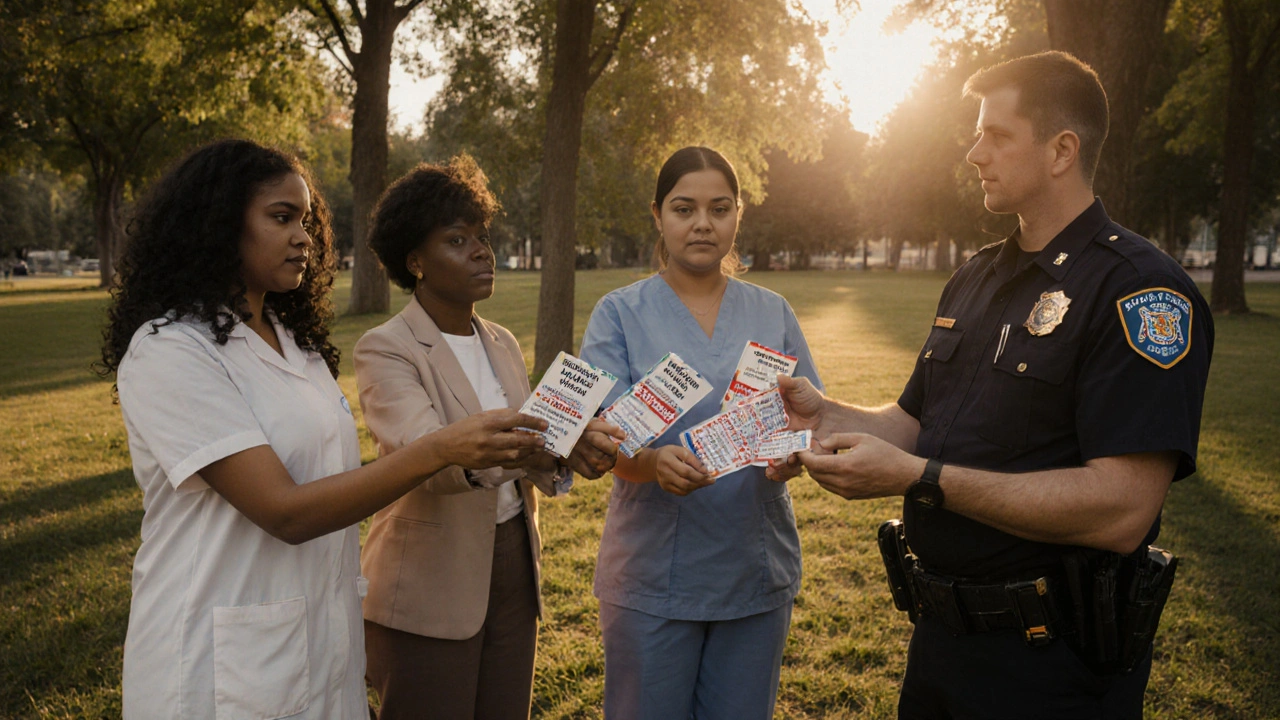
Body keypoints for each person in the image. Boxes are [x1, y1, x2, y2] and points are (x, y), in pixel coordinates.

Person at [770, 52, 1214, 719]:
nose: (974, 153)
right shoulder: (975, 277)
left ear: (1062, 150)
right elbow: (916, 423)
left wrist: (921, 478)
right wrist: (824, 415)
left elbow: (1123, 510)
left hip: (1054, 667)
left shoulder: (1140, 293)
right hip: (940, 647)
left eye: (997, 135)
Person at [99, 139, 549, 720]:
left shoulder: (297, 348)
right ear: (217, 223)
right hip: (221, 649)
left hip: (320, 641)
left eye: (306, 221)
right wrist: (440, 447)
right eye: (281, 218)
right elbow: (286, 511)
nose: (302, 237)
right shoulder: (170, 350)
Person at [354, 156, 624, 719]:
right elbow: (432, 457)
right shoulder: (387, 348)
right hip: (430, 581)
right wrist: (544, 442)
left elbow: (530, 449)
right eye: (457, 240)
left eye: (482, 236)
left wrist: (569, 450)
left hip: (513, 569)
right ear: (415, 261)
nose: (483, 251)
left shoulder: (499, 340)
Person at [578, 146, 823, 720]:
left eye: (720, 208)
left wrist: (792, 455)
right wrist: (652, 463)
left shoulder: (772, 312)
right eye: (684, 209)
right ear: (658, 215)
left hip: (751, 568)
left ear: (739, 215)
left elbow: (804, 417)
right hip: (653, 575)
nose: (703, 224)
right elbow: (603, 442)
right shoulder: (619, 313)